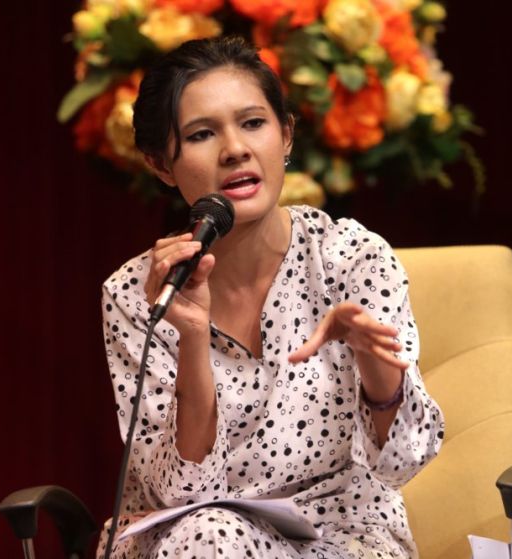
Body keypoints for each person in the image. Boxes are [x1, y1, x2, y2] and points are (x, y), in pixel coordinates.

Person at [99, 35, 444, 558]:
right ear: (160, 165)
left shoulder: (350, 258)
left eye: (253, 123)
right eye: (201, 133)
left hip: (339, 538)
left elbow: (406, 462)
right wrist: (190, 337)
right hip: (198, 541)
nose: (235, 148)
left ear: (285, 136)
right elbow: (181, 493)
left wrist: (376, 367)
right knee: (210, 532)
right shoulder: (137, 294)